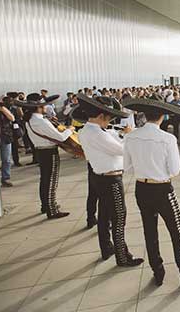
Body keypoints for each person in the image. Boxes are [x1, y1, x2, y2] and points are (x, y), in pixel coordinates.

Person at [123, 96, 180, 288]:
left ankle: (157, 272)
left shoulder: (131, 136)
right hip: (162, 189)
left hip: (141, 188)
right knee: (177, 232)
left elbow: (126, 166)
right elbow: (175, 170)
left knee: (150, 232)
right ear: (162, 116)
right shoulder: (167, 138)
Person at [77, 94, 144, 267]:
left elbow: (110, 140)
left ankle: (107, 247)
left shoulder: (88, 130)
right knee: (119, 217)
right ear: (101, 116)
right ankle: (123, 257)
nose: (109, 122)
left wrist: (118, 133)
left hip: (101, 177)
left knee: (105, 216)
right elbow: (121, 149)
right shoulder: (97, 134)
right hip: (110, 180)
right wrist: (128, 135)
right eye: (108, 118)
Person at [19, 93, 73, 218]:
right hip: (49, 152)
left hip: (40, 151)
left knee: (45, 180)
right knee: (51, 181)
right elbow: (60, 137)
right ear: (39, 107)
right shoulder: (40, 120)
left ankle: (46, 205)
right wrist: (69, 129)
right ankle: (52, 209)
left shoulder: (30, 119)